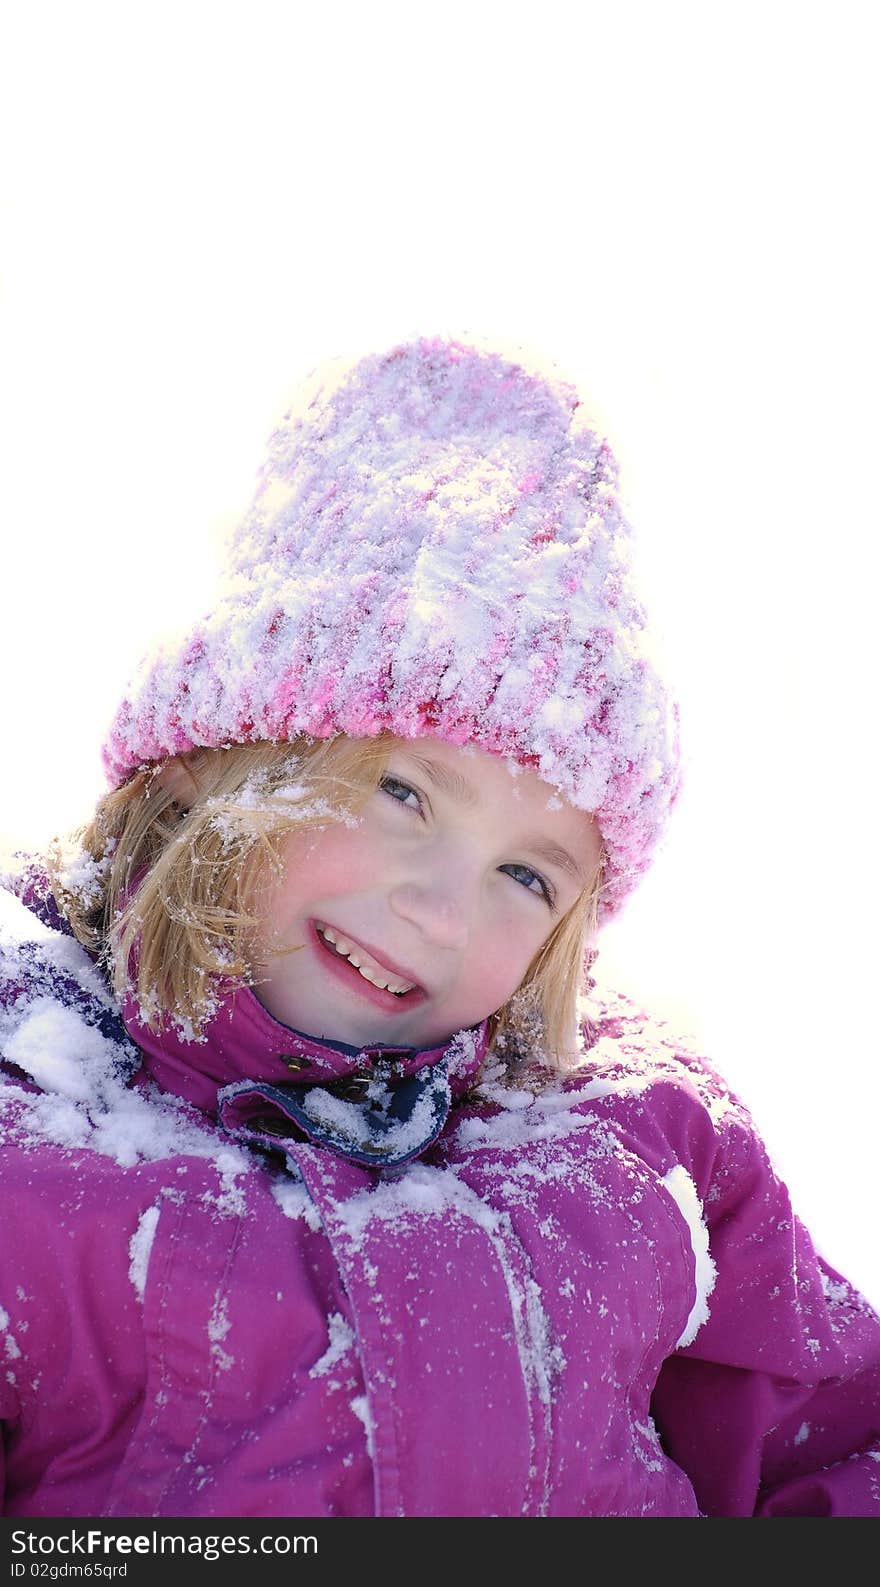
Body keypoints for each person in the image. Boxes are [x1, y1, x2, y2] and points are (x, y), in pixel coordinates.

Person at [1, 335, 878, 1521]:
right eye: (400, 794)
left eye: (525, 875)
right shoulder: (33, 1123)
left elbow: (834, 1444)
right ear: (221, 762)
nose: (442, 908)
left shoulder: (636, 1140)